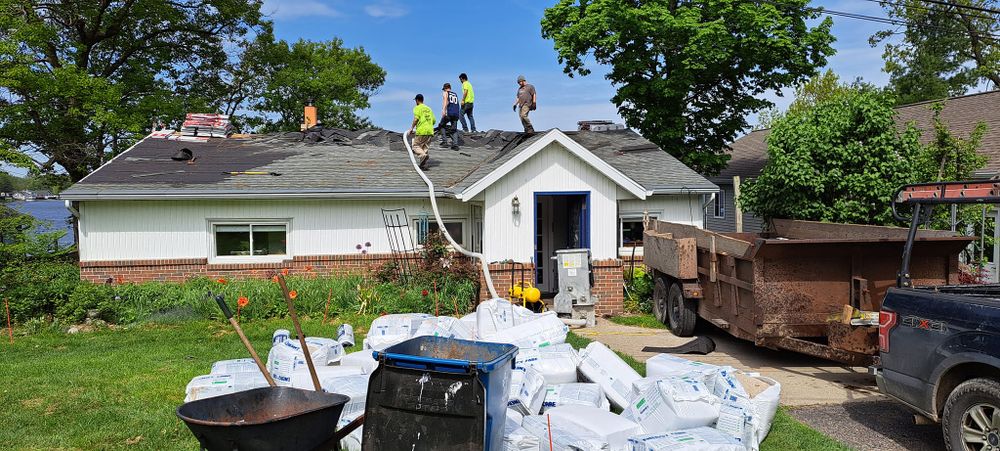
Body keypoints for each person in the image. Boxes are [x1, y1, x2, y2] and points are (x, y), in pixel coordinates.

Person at [408, 94, 435, 169]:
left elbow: (416, 119)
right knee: (424, 148)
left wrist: (411, 128)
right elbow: (434, 120)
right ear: (423, 99)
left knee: (415, 146)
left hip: (422, 130)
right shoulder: (429, 109)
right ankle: (423, 165)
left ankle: (423, 156)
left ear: (417, 100)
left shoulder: (417, 108)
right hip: (430, 131)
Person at [439, 83, 461, 150]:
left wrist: (443, 110)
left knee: (441, 125)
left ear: (445, 88)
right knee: (454, 129)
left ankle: (445, 142)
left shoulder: (445, 93)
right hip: (456, 113)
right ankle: (455, 145)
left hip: (450, 112)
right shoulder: (455, 94)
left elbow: (446, 101)